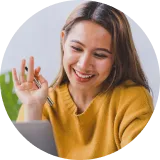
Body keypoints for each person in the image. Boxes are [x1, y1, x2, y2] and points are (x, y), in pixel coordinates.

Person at [12, 0, 154, 159]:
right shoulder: (40, 103)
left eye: (100, 55)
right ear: (63, 40)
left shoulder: (132, 100)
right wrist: (33, 108)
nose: (84, 65)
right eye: (77, 48)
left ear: (116, 58)